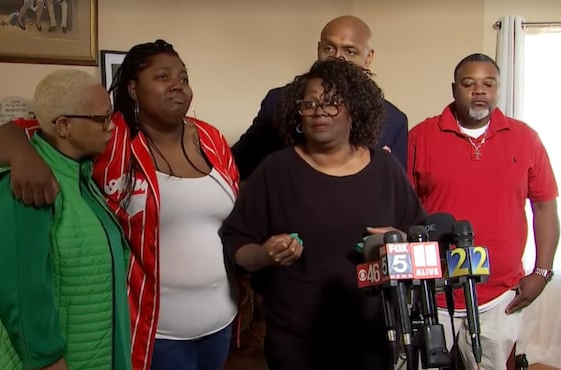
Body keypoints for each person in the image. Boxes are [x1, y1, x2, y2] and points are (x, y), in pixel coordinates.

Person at [0, 40, 240, 370]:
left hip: (218, 320)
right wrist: (21, 155)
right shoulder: (108, 133)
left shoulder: (211, 138)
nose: (178, 84)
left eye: (184, 77)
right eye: (162, 77)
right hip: (154, 331)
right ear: (133, 88)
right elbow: (8, 134)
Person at [220, 58, 426, 370]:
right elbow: (237, 246)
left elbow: (421, 243)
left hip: (371, 336)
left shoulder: (386, 171)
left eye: (332, 103)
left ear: (354, 109)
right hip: (295, 341)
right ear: (297, 113)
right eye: (310, 103)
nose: (319, 110)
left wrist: (399, 243)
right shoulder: (275, 171)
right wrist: (265, 255)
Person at [0, 69, 132, 369]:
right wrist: (48, 360)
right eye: (101, 119)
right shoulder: (27, 186)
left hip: (90, 352)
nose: (111, 128)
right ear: (64, 126)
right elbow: (20, 290)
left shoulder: (81, 177)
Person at [407, 53, 560, 370]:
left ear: (498, 89)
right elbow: (402, 211)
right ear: (454, 89)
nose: (479, 91)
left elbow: (544, 207)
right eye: (469, 84)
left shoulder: (525, 137)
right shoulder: (421, 137)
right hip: (433, 292)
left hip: (501, 295)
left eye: (488, 84)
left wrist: (542, 273)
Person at [231, 15, 408, 180]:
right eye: (329, 48)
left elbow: (395, 194)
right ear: (318, 49)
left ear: (368, 57)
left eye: (350, 51)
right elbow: (238, 165)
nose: (337, 58)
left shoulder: (394, 120)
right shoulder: (278, 102)